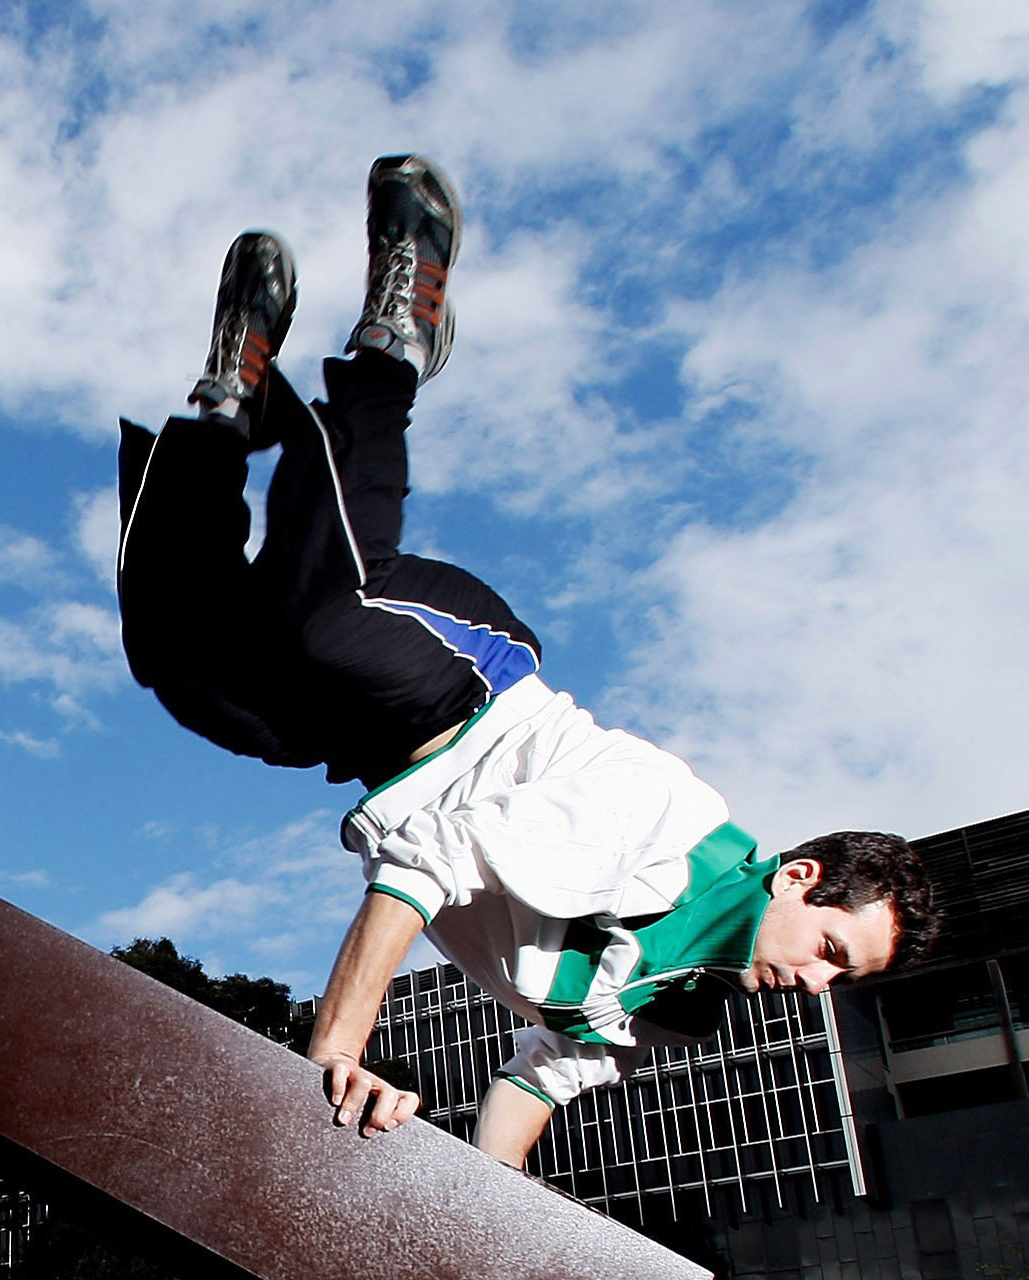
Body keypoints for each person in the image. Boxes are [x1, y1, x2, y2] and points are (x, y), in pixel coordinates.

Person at [116, 155, 937, 1166]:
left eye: (840, 981)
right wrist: (333, 1053)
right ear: (800, 881)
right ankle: (393, 346)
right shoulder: (662, 831)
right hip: (465, 683)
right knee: (326, 616)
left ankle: (227, 408)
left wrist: (474, 1236)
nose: (818, 986)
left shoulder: (665, 1018)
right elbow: (428, 866)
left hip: (377, 750)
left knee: (186, 671)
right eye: (829, 951)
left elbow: (538, 1077)